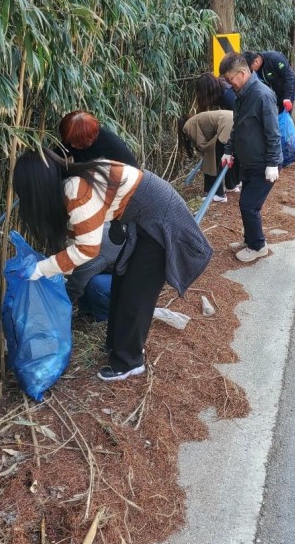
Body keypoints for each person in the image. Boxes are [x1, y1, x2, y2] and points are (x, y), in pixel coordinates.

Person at [13, 151, 212, 381]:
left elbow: (87, 250)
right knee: (122, 279)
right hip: (142, 220)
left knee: (136, 293)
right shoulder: (72, 180)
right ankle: (117, 347)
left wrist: (40, 270)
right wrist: (60, 275)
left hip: (161, 220)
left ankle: (130, 362)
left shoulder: (75, 189)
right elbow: (75, 237)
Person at [218, 52, 282, 263]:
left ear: (243, 73)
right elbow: (237, 128)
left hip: (264, 163)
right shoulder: (241, 97)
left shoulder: (263, 95)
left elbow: (273, 132)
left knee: (248, 206)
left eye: (229, 79)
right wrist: (229, 150)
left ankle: (258, 246)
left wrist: (272, 163)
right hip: (248, 162)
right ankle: (250, 239)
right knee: (247, 204)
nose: (228, 84)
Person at [178, 110, 240, 203]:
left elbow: (202, 144)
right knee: (227, 157)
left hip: (227, 125)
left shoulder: (188, 125)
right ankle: (231, 186)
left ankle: (218, 194)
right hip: (236, 120)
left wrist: (206, 155)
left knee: (213, 160)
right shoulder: (199, 118)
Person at [64, 223, 122, 322]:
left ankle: (104, 320)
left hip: (133, 284)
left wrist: (58, 304)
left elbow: (76, 285)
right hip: (117, 273)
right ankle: (86, 314)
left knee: (96, 284)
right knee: (88, 276)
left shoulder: (92, 245)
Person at [59, 111, 138, 167]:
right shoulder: (73, 139)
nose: (72, 145)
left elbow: (135, 172)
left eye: (77, 142)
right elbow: (54, 158)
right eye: (70, 141)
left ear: (88, 138)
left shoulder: (114, 145)